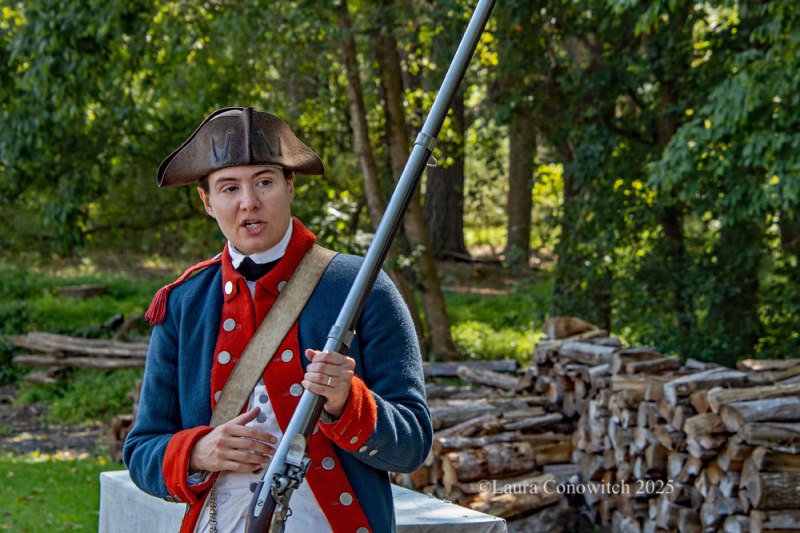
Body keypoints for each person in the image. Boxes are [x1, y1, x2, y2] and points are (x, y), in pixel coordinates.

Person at [123, 107, 433, 533]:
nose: (249, 202)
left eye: (264, 182)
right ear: (207, 202)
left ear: (290, 185)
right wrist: (198, 451)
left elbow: (413, 445)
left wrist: (347, 402)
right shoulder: (183, 302)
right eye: (229, 187)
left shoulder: (363, 287)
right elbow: (142, 450)